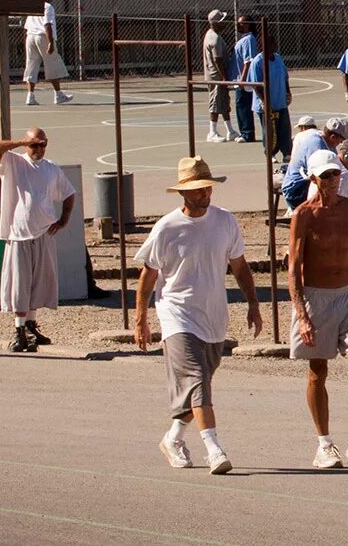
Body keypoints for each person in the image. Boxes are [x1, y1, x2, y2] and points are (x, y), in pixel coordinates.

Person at [136, 156, 260, 474]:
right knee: (197, 381)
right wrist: (141, 320)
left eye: (207, 188)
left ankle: (173, 438)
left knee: (199, 385)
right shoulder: (166, 228)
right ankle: (214, 449)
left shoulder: (225, 221)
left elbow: (240, 266)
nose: (205, 194)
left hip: (213, 317)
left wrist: (253, 304)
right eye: (198, 189)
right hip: (176, 315)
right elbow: (148, 277)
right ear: (183, 193)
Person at [288, 150, 348, 470]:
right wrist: (302, 314)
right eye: (326, 176)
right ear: (314, 179)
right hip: (316, 297)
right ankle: (324, 444)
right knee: (318, 370)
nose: (333, 180)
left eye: (336, 174)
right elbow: (294, 267)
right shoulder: (303, 215)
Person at [0, 128, 75, 353]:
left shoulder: (51, 168)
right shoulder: (13, 162)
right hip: (19, 233)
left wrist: (63, 219)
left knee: (39, 282)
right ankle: (18, 330)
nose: (39, 149)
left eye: (42, 144)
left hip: (43, 231)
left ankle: (31, 325)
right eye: (34, 145)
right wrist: (20, 141)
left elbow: (69, 193)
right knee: (19, 283)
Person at [22, 0, 72, 107]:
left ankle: (30, 96)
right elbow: (47, 24)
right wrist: (50, 42)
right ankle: (58, 94)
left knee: (31, 65)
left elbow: (26, 26)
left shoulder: (33, 6)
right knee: (52, 64)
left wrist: (25, 40)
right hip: (42, 37)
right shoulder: (48, 7)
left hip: (30, 37)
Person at [203, 11, 237, 143]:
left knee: (223, 103)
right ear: (216, 23)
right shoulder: (214, 38)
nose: (225, 23)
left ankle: (230, 130)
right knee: (216, 104)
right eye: (222, 20)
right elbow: (218, 59)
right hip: (215, 76)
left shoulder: (213, 35)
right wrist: (224, 77)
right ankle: (212, 131)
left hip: (217, 76)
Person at [228, 16, 262, 145]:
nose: (238, 25)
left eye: (240, 23)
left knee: (243, 105)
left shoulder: (249, 39)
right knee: (241, 105)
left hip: (244, 80)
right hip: (239, 78)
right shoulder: (244, 39)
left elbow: (249, 61)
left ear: (247, 25)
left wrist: (242, 80)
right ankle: (246, 132)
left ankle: (247, 133)